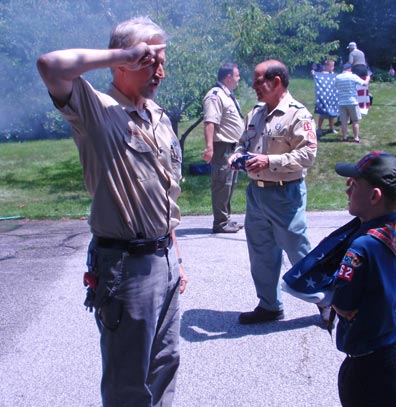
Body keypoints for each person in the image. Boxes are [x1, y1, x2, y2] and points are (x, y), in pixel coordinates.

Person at [37, 16, 187, 407]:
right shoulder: (96, 111)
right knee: (128, 380)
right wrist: (121, 54)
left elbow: (164, 194)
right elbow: (50, 65)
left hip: (165, 260)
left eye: (161, 61)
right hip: (126, 267)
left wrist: (177, 258)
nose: (161, 71)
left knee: (166, 362)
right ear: (124, 62)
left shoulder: (158, 116)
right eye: (151, 61)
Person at [228, 60, 317, 324]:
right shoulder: (256, 112)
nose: (253, 86)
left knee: (299, 253)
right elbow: (242, 143)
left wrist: (270, 161)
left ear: (276, 81)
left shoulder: (297, 115)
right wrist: (237, 158)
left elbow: (308, 154)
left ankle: (328, 302)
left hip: (285, 193)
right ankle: (269, 305)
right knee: (261, 253)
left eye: (258, 81)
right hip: (256, 194)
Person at [329, 151, 396, 407]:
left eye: (353, 186)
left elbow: (342, 302)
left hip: (366, 361)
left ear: (374, 196)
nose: (347, 191)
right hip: (391, 347)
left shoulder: (361, 247)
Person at [202, 63, 245, 233]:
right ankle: (220, 223)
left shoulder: (228, 95)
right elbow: (210, 122)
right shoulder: (215, 96)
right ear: (228, 77)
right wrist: (209, 148)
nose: (239, 79)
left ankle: (226, 219)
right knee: (222, 184)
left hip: (232, 148)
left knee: (229, 185)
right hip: (222, 148)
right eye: (237, 76)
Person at [334, 63, 370, 143]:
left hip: (342, 102)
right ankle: (356, 137)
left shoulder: (338, 77)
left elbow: (335, 86)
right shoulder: (353, 76)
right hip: (352, 101)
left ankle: (344, 137)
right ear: (350, 69)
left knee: (344, 122)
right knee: (355, 121)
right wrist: (368, 78)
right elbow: (364, 84)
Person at [311, 60, 339, 137]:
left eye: (333, 66)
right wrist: (314, 73)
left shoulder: (333, 75)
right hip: (324, 97)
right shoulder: (322, 74)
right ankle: (319, 128)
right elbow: (315, 75)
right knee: (322, 114)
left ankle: (331, 128)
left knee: (332, 114)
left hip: (332, 96)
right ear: (327, 66)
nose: (332, 68)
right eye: (331, 66)